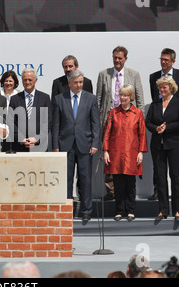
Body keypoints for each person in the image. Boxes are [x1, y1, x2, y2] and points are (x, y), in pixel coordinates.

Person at [96, 46, 145, 201]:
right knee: (109, 155)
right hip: (109, 120)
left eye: (120, 58)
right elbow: (98, 100)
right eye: (115, 57)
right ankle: (111, 191)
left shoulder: (134, 75)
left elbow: (140, 100)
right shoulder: (104, 74)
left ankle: (125, 193)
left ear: (125, 59)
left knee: (126, 156)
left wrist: (138, 119)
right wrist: (98, 121)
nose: (117, 60)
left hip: (129, 121)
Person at [52, 70, 100, 222]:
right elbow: (56, 125)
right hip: (65, 145)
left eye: (81, 82)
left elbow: (95, 124)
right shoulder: (60, 99)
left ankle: (86, 210)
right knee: (66, 180)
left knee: (85, 179)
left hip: (85, 144)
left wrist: (95, 143)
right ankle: (67, 210)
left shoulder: (90, 98)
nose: (79, 85)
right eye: (76, 83)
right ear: (69, 83)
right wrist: (55, 146)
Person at [148, 48, 179, 201]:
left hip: (174, 129)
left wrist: (174, 125)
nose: (163, 62)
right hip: (158, 130)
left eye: (166, 60)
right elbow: (155, 103)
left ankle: (177, 198)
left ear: (173, 61)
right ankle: (158, 192)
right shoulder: (153, 77)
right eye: (161, 59)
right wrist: (157, 126)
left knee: (176, 168)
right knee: (158, 167)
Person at [103, 84, 148, 222]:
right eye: (121, 95)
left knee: (130, 183)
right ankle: (119, 210)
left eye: (125, 95)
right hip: (116, 153)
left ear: (131, 97)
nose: (122, 98)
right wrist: (105, 151)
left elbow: (142, 134)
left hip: (132, 153)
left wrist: (141, 152)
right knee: (118, 183)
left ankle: (130, 211)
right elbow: (106, 134)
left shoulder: (138, 113)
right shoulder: (113, 113)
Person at [146, 76, 179, 221]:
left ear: (171, 88)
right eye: (160, 87)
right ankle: (163, 210)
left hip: (174, 145)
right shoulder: (155, 104)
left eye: (165, 87)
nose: (162, 90)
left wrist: (166, 128)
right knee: (160, 178)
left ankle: (178, 210)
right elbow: (148, 122)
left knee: (176, 177)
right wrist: (156, 128)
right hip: (158, 145)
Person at [8, 68, 52, 152]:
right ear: (22, 81)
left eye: (30, 79)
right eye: (25, 80)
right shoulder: (14, 99)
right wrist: (21, 139)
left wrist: (36, 138)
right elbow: (10, 122)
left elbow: (48, 121)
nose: (27, 82)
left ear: (35, 80)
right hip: (19, 147)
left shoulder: (45, 98)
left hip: (40, 147)